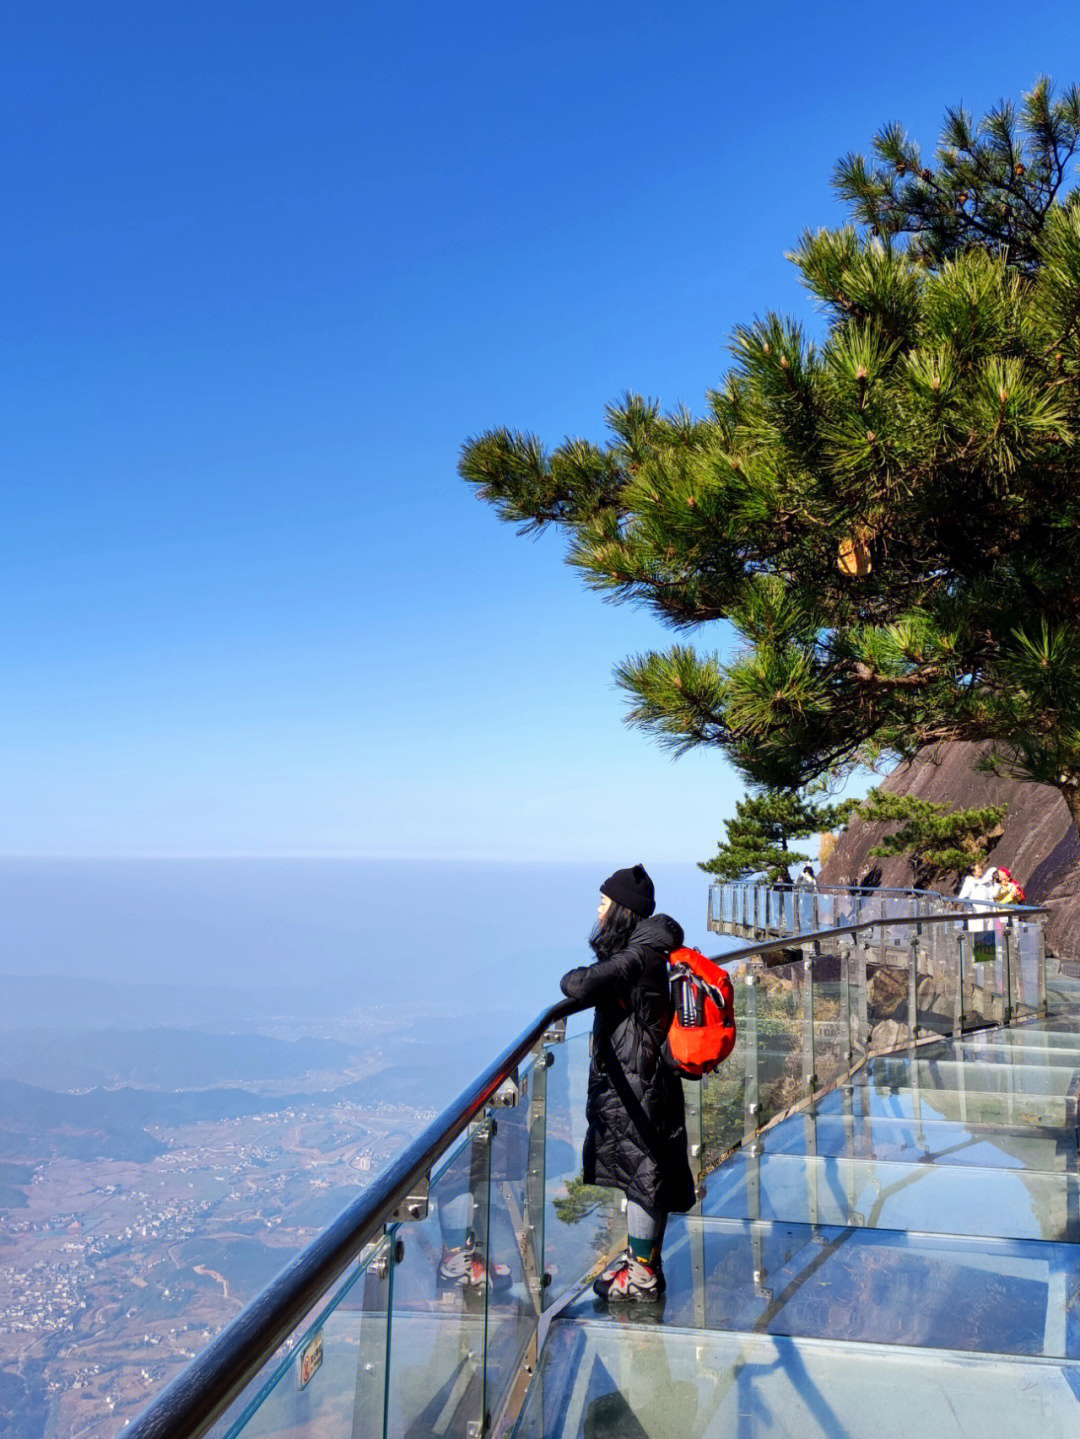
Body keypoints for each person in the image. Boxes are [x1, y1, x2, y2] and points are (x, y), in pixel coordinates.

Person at [559, 864, 695, 1303]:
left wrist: (573, 977)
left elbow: (579, 985)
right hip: (650, 1076)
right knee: (647, 1171)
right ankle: (643, 1264)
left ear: (621, 909)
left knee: (643, 1176)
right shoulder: (651, 947)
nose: (597, 912)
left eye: (602, 903)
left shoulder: (637, 956)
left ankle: (641, 1276)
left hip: (640, 1083)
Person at [957, 860, 996, 932]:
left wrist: (997, 884)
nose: (981, 870)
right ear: (974, 872)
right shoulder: (969, 882)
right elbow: (962, 897)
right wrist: (969, 906)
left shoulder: (986, 881)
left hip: (988, 912)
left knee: (989, 937)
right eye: (979, 868)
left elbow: (993, 894)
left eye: (981, 868)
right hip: (976, 913)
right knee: (978, 937)